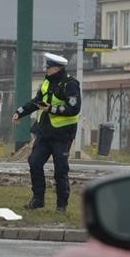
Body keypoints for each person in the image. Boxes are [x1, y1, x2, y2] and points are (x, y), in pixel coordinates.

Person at [12, 52, 81, 212]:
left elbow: (74, 108)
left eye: (49, 68)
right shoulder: (46, 83)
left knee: (60, 170)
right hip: (45, 132)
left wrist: (52, 109)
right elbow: (36, 103)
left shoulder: (70, 84)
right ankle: (38, 199)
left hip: (63, 135)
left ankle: (61, 205)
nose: (46, 70)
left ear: (57, 68)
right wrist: (20, 112)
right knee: (34, 162)